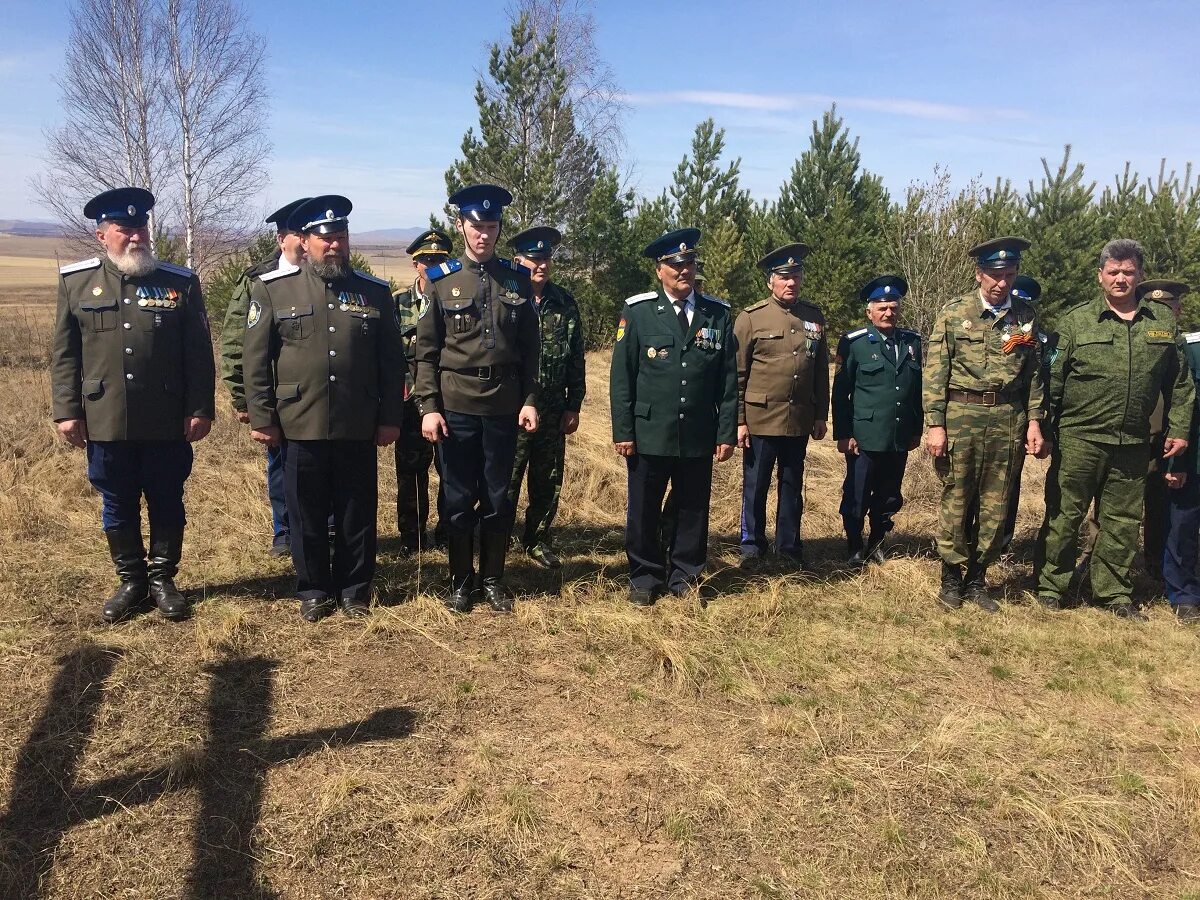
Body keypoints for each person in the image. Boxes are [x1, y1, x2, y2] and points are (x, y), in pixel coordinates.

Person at [51, 187, 215, 622]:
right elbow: (65, 354)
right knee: (117, 501)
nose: (136, 237)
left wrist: (200, 407)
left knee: (167, 499)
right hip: (105, 417)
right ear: (103, 235)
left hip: (165, 417)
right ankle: (131, 581)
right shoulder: (76, 282)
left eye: (141, 227)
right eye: (125, 230)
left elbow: (198, 354)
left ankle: (163, 579)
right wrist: (67, 410)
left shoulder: (179, 282)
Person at [243, 195, 405, 622]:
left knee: (357, 512)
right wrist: (263, 417)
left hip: (357, 422)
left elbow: (392, 363)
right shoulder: (275, 290)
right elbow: (256, 360)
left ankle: (354, 589)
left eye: (340, 237)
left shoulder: (374, 293)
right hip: (299, 421)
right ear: (306, 241)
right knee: (306, 512)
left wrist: (390, 417)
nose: (333, 245)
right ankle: (314, 588)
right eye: (324, 238)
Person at [1034, 240, 1194, 619]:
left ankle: (1113, 594)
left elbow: (1181, 384)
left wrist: (1180, 428)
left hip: (1133, 441)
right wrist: (1042, 426)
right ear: (1100, 276)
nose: (1121, 279)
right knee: (1064, 515)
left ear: (1139, 275)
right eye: (1113, 272)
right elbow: (1052, 377)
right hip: (1080, 438)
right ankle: (1050, 587)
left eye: (1128, 272)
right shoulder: (1076, 321)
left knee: (1122, 522)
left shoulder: (1161, 323)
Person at [413, 184, 540, 613]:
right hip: (456, 405)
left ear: (499, 228)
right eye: (475, 226)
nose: (483, 234)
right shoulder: (442, 280)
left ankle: (492, 579)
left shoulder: (516, 280)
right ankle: (460, 580)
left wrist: (530, 399)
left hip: (503, 405)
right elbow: (425, 353)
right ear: (460, 226)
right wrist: (428, 408)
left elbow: (530, 352)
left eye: (490, 226)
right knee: (456, 495)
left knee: (499, 495)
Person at [609, 228, 737, 606]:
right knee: (645, 507)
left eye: (689, 264)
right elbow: (622, 377)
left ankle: (685, 576)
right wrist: (624, 430)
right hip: (650, 431)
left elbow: (728, 380)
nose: (684, 271)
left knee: (692, 507)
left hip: (698, 431)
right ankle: (645, 576)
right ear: (659, 270)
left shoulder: (718, 314)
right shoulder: (639, 312)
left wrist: (725, 432)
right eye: (675, 265)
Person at [924, 236, 1046, 612]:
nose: (1001, 283)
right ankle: (950, 577)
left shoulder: (1024, 317)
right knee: (957, 496)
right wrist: (935, 424)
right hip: (962, 415)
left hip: (1008, 419)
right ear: (979, 274)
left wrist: (1035, 421)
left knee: (996, 501)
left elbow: (1034, 375)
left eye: (1009, 275)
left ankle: (978, 578)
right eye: (994, 275)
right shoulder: (954, 312)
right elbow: (935, 372)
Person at [218, 197, 309, 557]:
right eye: (297, 234)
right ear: (281, 240)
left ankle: (326, 527)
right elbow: (237, 341)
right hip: (276, 395)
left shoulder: (323, 274)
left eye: (308, 233)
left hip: (318, 396)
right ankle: (284, 530)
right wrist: (244, 399)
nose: (304, 242)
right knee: (280, 464)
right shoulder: (258, 280)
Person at [733, 243, 828, 569]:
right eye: (784, 277)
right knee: (755, 485)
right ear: (770, 281)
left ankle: (788, 546)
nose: (791, 283)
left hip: (799, 418)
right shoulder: (750, 318)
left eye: (796, 276)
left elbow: (819, 372)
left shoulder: (814, 318)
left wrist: (820, 415)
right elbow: (738, 374)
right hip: (760, 418)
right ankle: (751, 546)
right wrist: (740, 420)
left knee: (792, 484)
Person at [505, 225, 586, 569]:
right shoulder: (506, 298)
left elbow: (576, 357)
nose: (541, 265)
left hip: (553, 407)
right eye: (533, 259)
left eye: (546, 258)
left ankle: (537, 539)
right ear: (517, 261)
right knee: (505, 478)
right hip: (509, 406)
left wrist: (573, 404)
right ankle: (498, 538)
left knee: (548, 478)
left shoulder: (564, 303)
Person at [831, 275, 923, 564]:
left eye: (893, 307)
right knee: (857, 494)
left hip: (897, 435)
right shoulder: (854, 343)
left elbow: (915, 391)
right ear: (869, 311)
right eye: (882, 308)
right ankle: (855, 545)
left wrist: (916, 430)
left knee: (889, 495)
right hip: (865, 435)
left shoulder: (912, 342)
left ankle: (877, 542)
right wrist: (844, 434)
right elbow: (841, 393)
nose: (888, 313)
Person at [393, 228, 451, 553]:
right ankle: (412, 538)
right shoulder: (398, 303)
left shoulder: (455, 301)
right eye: (426, 260)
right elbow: (390, 356)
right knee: (411, 474)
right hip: (408, 404)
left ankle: (447, 533)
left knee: (450, 473)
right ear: (415, 264)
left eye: (439, 260)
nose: (431, 266)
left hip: (448, 401)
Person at [1154, 280, 1200, 621]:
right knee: (1181, 524)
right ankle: (1184, 594)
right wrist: (1179, 460)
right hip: (1186, 451)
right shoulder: (1191, 349)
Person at [998, 274, 1047, 551]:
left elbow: (1039, 378)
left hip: (1016, 418)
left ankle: (1003, 542)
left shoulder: (1041, 339)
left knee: (1010, 483)